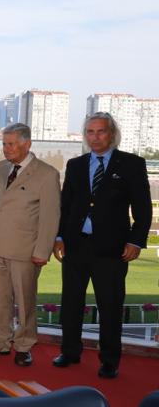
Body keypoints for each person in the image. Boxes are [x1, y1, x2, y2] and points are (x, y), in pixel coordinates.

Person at [53, 112, 152, 379]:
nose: (95, 137)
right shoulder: (75, 165)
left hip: (112, 250)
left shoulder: (131, 164)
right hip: (75, 246)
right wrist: (59, 237)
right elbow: (66, 206)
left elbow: (143, 209)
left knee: (110, 305)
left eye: (101, 131)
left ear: (112, 134)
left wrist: (135, 240)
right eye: (90, 132)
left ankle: (109, 360)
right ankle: (70, 351)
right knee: (71, 303)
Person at [0, 123, 60, 367]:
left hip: (25, 250)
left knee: (25, 302)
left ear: (27, 144)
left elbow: (50, 216)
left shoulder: (47, 174)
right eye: (4, 144)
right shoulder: (0, 168)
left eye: (11, 144)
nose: (6, 149)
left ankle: (24, 346)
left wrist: (42, 251)